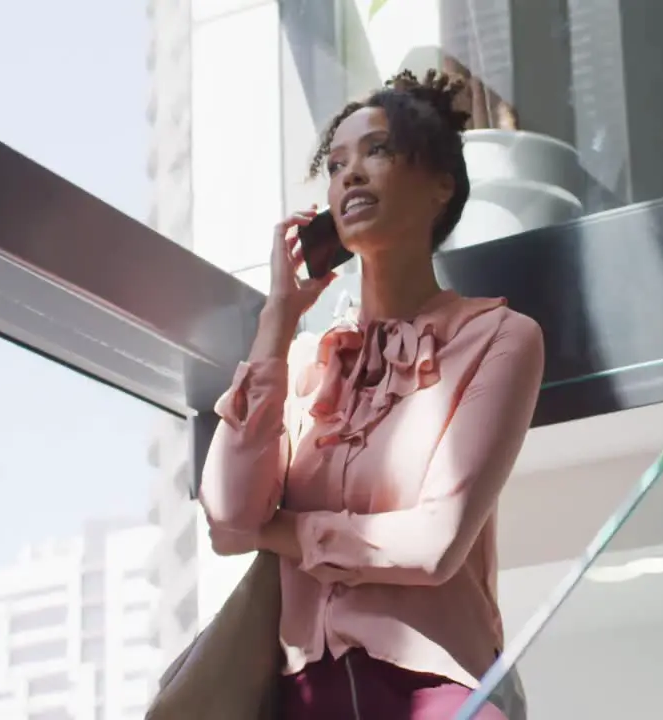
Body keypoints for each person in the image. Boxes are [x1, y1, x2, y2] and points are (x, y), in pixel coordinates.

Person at [200, 69, 544, 720]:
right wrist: (277, 317)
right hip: (306, 696)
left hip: (441, 693)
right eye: (335, 164)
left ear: (442, 183)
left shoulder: (499, 338)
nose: (349, 175)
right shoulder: (304, 360)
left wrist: (277, 530)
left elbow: (434, 546)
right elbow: (224, 519)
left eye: (377, 151)